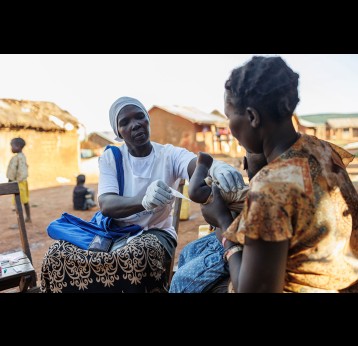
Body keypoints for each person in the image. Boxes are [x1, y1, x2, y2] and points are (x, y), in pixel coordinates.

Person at [40, 96, 244, 293]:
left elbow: (194, 165)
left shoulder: (168, 155)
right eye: (125, 122)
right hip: (114, 232)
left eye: (139, 117)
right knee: (56, 256)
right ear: (118, 133)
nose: (135, 124)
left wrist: (216, 167)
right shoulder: (112, 158)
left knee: (136, 256)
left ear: (148, 120)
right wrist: (143, 201)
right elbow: (107, 204)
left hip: (155, 233)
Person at [199, 55, 358, 293]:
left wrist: (223, 224)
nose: (230, 128)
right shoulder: (322, 149)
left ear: (252, 117)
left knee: (195, 281)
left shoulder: (272, 186)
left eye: (229, 116)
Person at [169, 151, 266, 293]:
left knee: (181, 281)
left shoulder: (238, 193)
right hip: (224, 241)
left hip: (232, 249)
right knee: (188, 251)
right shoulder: (255, 194)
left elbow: (195, 191)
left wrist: (203, 164)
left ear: (244, 164)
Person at [6, 137, 31, 223]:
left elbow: (16, 171)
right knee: (24, 201)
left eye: (12, 146)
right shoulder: (20, 157)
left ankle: (21, 221)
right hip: (21, 182)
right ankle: (27, 218)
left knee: (19, 202)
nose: (11, 148)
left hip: (19, 183)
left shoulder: (18, 158)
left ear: (19, 146)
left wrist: (12, 180)